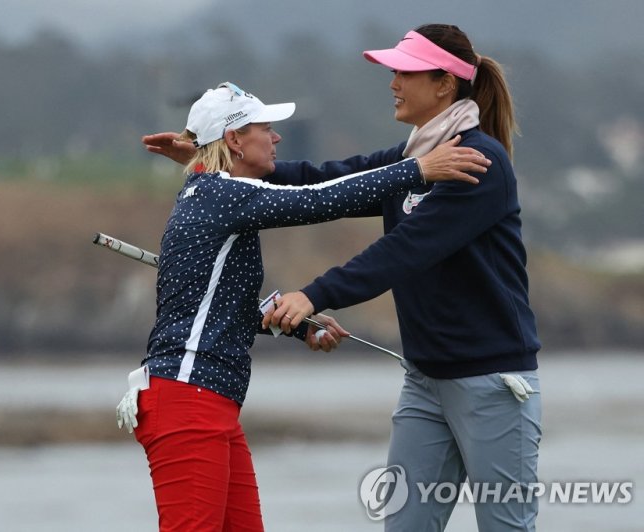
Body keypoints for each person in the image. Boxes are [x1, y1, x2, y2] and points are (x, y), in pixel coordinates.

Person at [144, 24, 541, 532]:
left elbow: (404, 251)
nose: (393, 82)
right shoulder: (416, 160)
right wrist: (214, 161)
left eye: (405, 71)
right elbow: (328, 180)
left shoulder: (475, 162)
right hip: (425, 382)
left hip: (491, 380)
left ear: (445, 84)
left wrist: (314, 296)